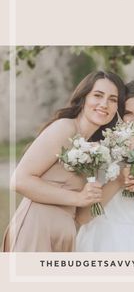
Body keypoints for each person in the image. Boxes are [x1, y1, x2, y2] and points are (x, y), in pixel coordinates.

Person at [2, 71, 125, 252]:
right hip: (37, 229)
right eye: (98, 95)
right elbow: (19, 180)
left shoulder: (95, 148)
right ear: (83, 98)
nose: (104, 104)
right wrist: (78, 197)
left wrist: (119, 180)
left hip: (64, 236)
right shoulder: (65, 128)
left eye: (113, 99)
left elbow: (81, 216)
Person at [76, 80, 134, 252]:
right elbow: (82, 217)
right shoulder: (100, 151)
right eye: (128, 113)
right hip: (98, 242)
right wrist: (117, 181)